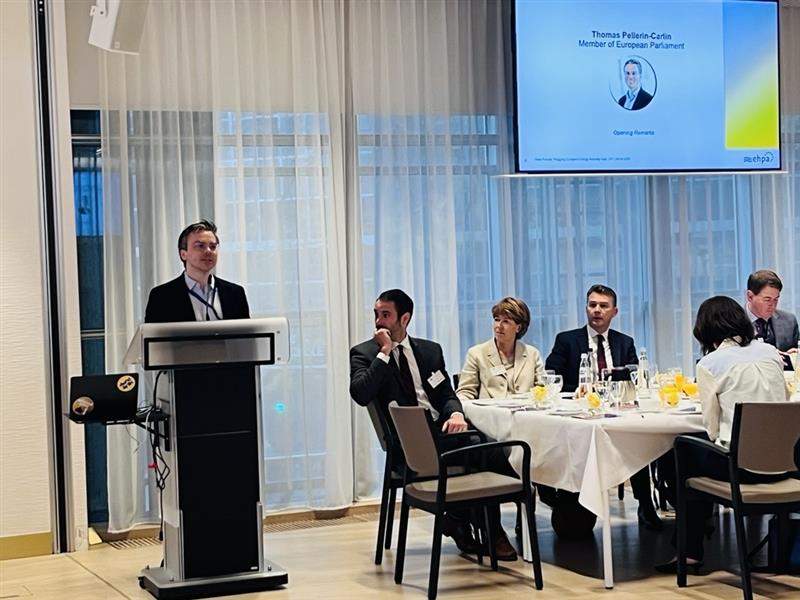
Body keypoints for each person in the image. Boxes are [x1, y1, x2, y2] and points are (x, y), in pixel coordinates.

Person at [350, 289, 518, 561]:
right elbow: (360, 393)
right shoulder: (365, 353)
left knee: (489, 445)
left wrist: (456, 414)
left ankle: (459, 519)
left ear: (405, 319)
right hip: (407, 443)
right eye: (376, 314)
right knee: (486, 451)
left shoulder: (429, 351)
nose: (379, 321)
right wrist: (384, 353)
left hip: (442, 432)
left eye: (386, 315)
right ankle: (495, 525)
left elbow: (446, 395)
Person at [655, 296, 792, 574]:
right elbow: (784, 401)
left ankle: (690, 550)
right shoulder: (770, 352)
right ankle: (702, 519)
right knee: (692, 452)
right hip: (785, 465)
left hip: (741, 468)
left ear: (705, 330)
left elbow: (712, 428)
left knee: (678, 452)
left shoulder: (710, 363)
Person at [545, 284, 662, 531]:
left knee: (638, 441)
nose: (597, 310)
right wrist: (580, 390)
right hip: (581, 414)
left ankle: (645, 504)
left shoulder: (625, 342)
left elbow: (634, 377)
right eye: (592, 305)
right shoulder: (567, 340)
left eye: (603, 306)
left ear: (614, 311)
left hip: (618, 412)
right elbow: (552, 376)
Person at [144, 220, 250, 323]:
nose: (208, 251)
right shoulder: (161, 296)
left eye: (213, 247)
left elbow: (247, 334)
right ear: (183, 254)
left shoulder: (235, 293)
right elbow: (153, 334)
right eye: (200, 246)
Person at [456, 297, 546, 401]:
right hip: (490, 410)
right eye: (497, 320)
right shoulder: (476, 353)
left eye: (506, 321)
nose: (499, 326)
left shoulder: (532, 354)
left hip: (525, 410)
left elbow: (543, 389)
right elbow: (465, 391)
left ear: (518, 328)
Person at [744, 269, 799, 369]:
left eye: (776, 299)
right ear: (750, 296)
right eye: (767, 299)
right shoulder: (733, 323)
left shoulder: (789, 321)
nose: (772, 305)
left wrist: (796, 356)